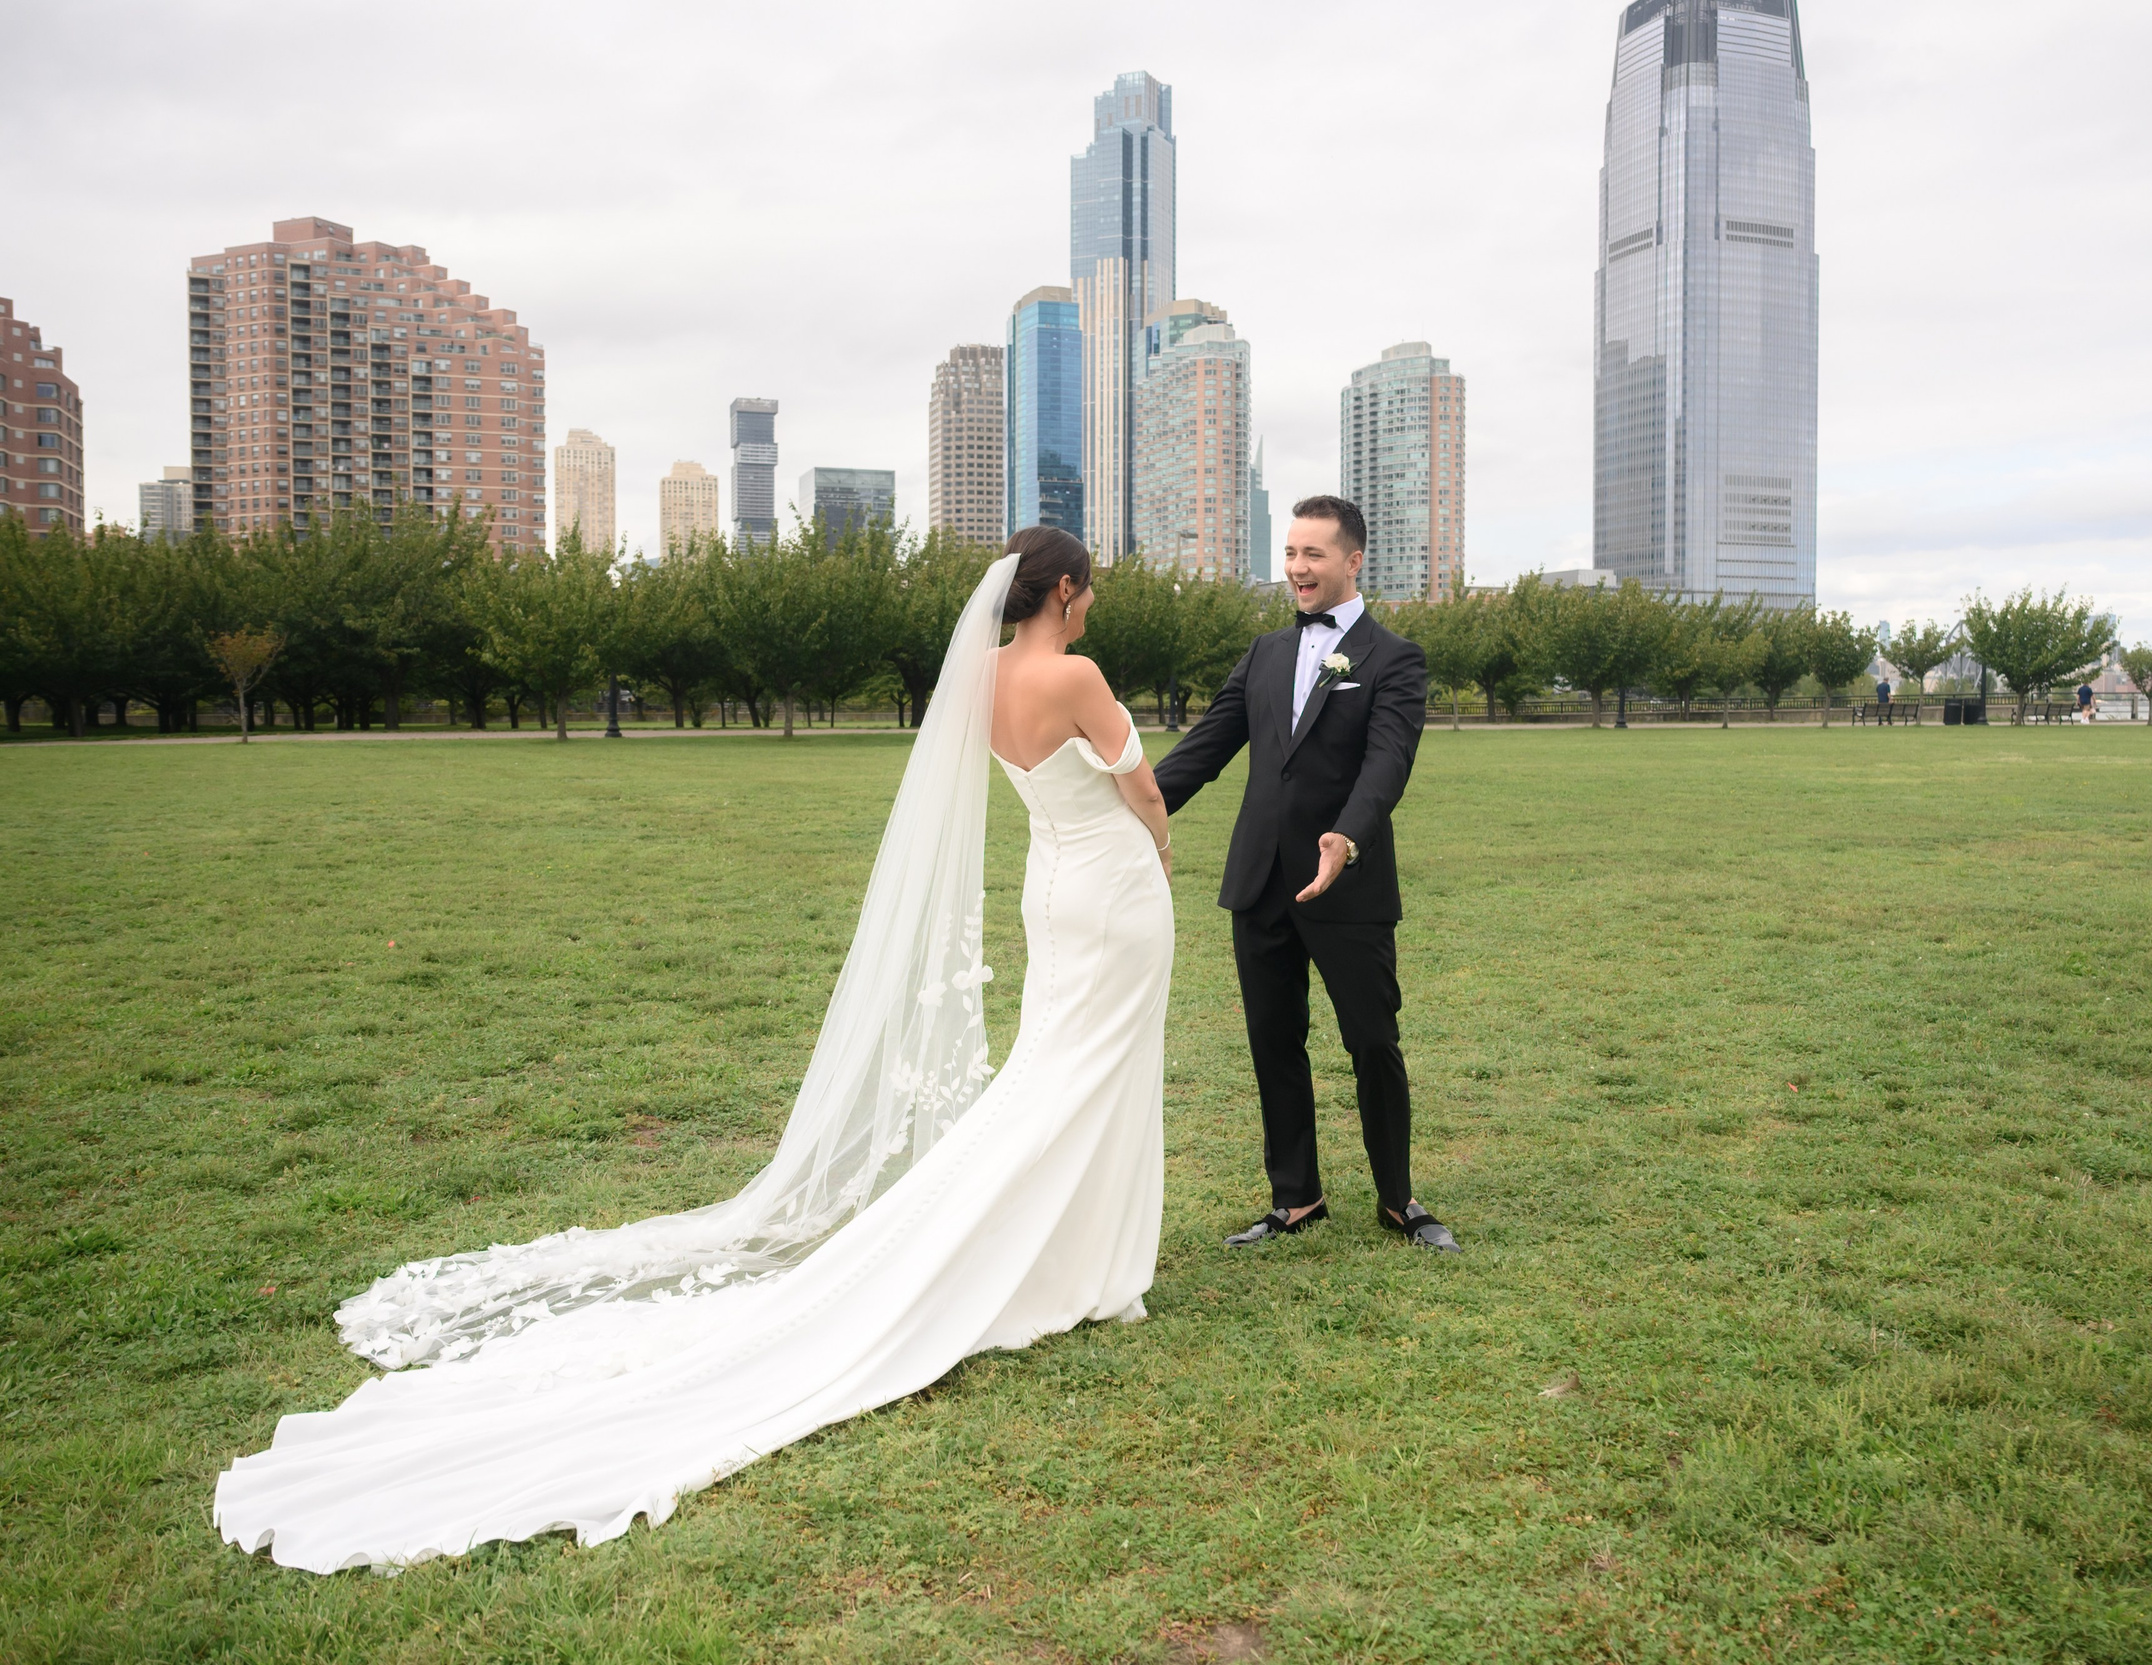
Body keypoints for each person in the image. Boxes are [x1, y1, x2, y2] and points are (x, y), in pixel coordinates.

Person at [214, 529, 1177, 1573]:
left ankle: (1063, 1253)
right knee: (1087, 1076)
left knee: (1054, 1071)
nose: (1090, 607)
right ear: (1065, 590)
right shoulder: (1075, 674)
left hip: (1050, 888)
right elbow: (1141, 787)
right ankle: (1076, 1262)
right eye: (1089, 592)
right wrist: (1163, 847)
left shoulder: (981, 675)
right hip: (1112, 886)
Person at [1153, 496, 1457, 1254]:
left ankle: (1398, 1199)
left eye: (1313, 553)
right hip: (1260, 881)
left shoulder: (1395, 658)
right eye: (1290, 552)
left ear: (1353, 561)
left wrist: (1346, 838)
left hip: (1346, 882)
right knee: (1273, 1041)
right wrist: (1125, 808)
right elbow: (1205, 748)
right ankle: (1296, 1197)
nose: (1297, 567)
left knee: (1373, 1041)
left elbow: (1388, 761)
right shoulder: (1263, 653)